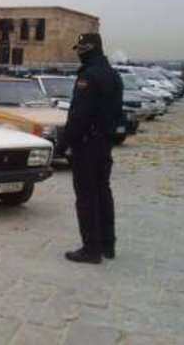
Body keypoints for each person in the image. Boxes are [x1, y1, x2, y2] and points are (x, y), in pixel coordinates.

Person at [64, 33, 123, 264]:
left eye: (81, 48)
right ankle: (108, 244)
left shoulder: (88, 76)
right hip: (104, 143)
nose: (79, 53)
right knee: (103, 193)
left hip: (86, 145)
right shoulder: (113, 75)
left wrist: (67, 140)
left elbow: (79, 115)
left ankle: (91, 248)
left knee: (87, 196)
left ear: (90, 49)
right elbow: (118, 112)